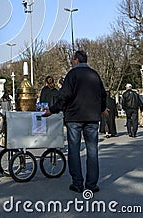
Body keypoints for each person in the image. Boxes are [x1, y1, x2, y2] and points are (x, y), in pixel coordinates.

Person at [43, 50, 107, 193]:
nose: (72, 62)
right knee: (92, 150)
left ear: (76, 60)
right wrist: (102, 109)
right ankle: (92, 184)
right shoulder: (94, 74)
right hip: (91, 117)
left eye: (72, 60)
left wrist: (52, 110)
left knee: (74, 150)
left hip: (74, 117)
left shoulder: (72, 75)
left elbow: (64, 96)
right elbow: (102, 94)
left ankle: (77, 183)